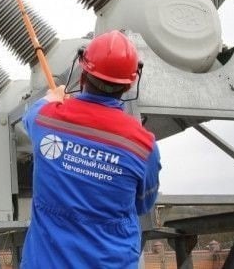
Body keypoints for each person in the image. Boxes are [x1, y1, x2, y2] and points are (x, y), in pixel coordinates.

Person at [20, 30, 161, 268]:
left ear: (83, 72)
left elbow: (30, 116)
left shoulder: (45, 118)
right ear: (130, 84)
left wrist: (53, 97)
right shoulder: (143, 145)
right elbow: (143, 204)